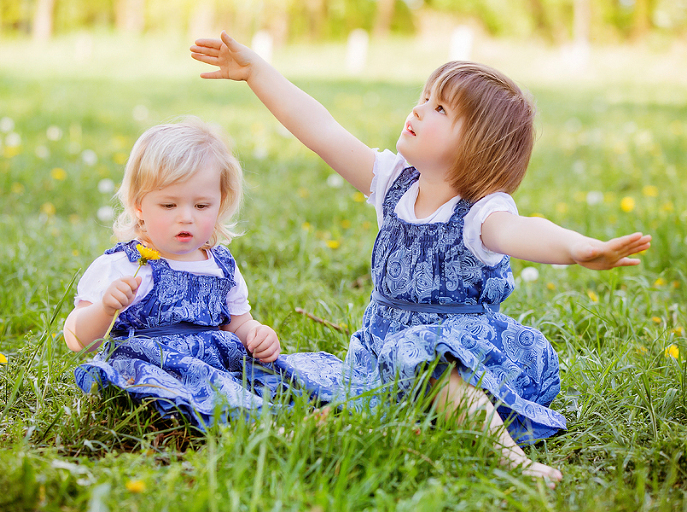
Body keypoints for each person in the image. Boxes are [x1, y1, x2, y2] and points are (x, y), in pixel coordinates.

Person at [190, 32, 652, 484]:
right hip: (381, 353)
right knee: (299, 383)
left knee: (433, 370)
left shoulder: (479, 215)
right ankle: (374, 416)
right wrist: (256, 72)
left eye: (440, 108)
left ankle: (512, 461)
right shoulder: (393, 184)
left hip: (455, 353)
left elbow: (527, 231)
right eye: (424, 97)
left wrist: (578, 249)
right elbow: (322, 131)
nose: (418, 109)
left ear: (477, 145)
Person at [64, 118, 342, 429]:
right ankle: (242, 417)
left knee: (276, 377)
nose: (186, 218)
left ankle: (282, 412)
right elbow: (77, 340)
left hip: (214, 363)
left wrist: (254, 334)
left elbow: (236, 322)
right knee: (170, 387)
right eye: (169, 205)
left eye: (201, 205)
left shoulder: (220, 265)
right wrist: (105, 308)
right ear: (139, 205)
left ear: (221, 203)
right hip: (152, 362)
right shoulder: (123, 265)